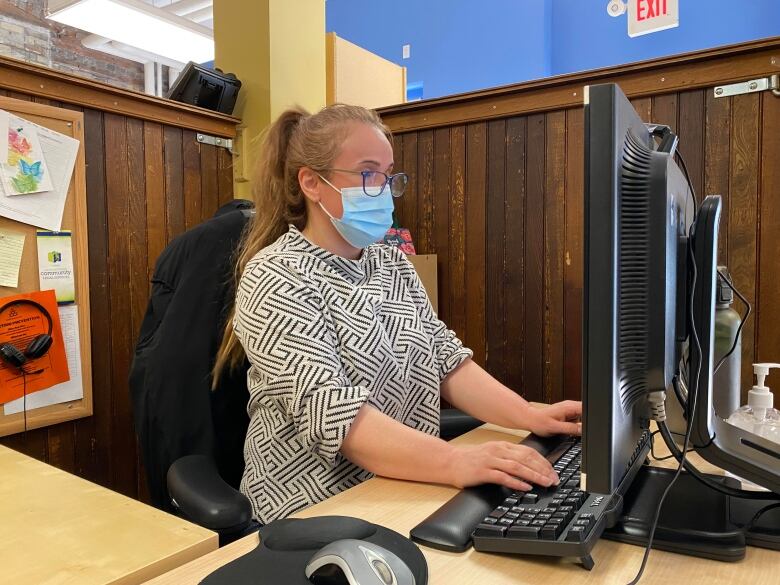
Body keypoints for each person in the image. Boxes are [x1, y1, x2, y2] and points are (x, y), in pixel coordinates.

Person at [212, 103, 582, 524]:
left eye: (388, 176)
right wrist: (455, 462)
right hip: (313, 511)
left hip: (404, 486)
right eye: (369, 174)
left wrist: (528, 414)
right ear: (312, 183)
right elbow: (333, 413)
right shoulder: (275, 276)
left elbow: (444, 360)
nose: (383, 190)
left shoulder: (390, 263)